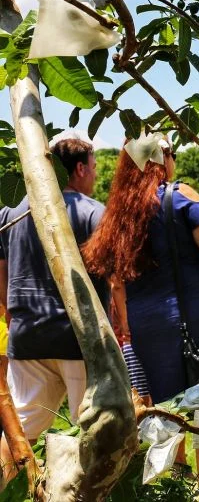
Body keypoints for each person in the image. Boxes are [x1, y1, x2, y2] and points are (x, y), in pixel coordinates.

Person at [82, 139, 199, 492]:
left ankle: (178, 489)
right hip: (192, 324)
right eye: (172, 154)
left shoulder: (120, 212)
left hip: (148, 329)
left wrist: (129, 331)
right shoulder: (179, 196)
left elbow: (116, 281)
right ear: (163, 159)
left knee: (168, 412)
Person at [0, 139, 106, 478]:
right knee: (91, 430)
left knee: (21, 430)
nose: (94, 174)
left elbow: (0, 271)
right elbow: (113, 279)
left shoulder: (13, 213)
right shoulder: (91, 211)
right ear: (79, 169)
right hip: (77, 338)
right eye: (93, 167)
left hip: (27, 337)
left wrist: (9, 309)